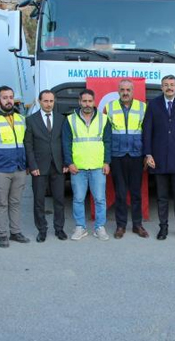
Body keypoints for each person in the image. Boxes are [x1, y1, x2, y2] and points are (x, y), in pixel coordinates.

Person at [143, 75, 175, 241]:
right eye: (166, 85)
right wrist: (148, 154)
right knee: (162, 197)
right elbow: (147, 131)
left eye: (172, 85)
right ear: (161, 87)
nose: (169, 88)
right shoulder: (153, 105)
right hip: (158, 159)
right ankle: (163, 228)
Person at [0, 86, 30, 248]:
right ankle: (2, 235)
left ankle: (15, 232)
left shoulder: (21, 118)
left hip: (19, 167)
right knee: (1, 203)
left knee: (16, 202)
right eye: (4, 97)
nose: (8, 100)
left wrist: (27, 164)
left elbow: (26, 144)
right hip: (0, 169)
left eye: (10, 97)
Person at [63, 89, 112, 241]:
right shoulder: (70, 120)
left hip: (98, 166)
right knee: (78, 199)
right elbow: (66, 143)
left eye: (90, 101)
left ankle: (99, 228)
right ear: (79, 102)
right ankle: (80, 227)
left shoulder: (104, 119)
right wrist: (69, 162)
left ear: (94, 101)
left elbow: (108, 142)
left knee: (99, 199)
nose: (87, 104)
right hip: (78, 167)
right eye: (84, 101)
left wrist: (107, 162)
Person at [104, 79, 149, 239]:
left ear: (133, 91)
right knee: (121, 193)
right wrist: (107, 159)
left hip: (136, 155)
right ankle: (121, 226)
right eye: (122, 89)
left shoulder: (143, 107)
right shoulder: (109, 108)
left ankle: (137, 225)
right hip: (117, 155)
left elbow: (147, 133)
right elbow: (106, 135)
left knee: (136, 192)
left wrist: (147, 154)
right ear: (118, 91)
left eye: (128, 90)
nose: (125, 92)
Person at [24, 90, 69, 242]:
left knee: (59, 199)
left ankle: (59, 229)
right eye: (46, 101)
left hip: (58, 166)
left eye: (51, 101)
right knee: (39, 201)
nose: (49, 104)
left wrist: (65, 162)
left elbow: (64, 142)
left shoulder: (61, 119)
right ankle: (41, 230)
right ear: (39, 101)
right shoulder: (31, 120)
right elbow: (28, 144)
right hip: (39, 167)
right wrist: (32, 165)